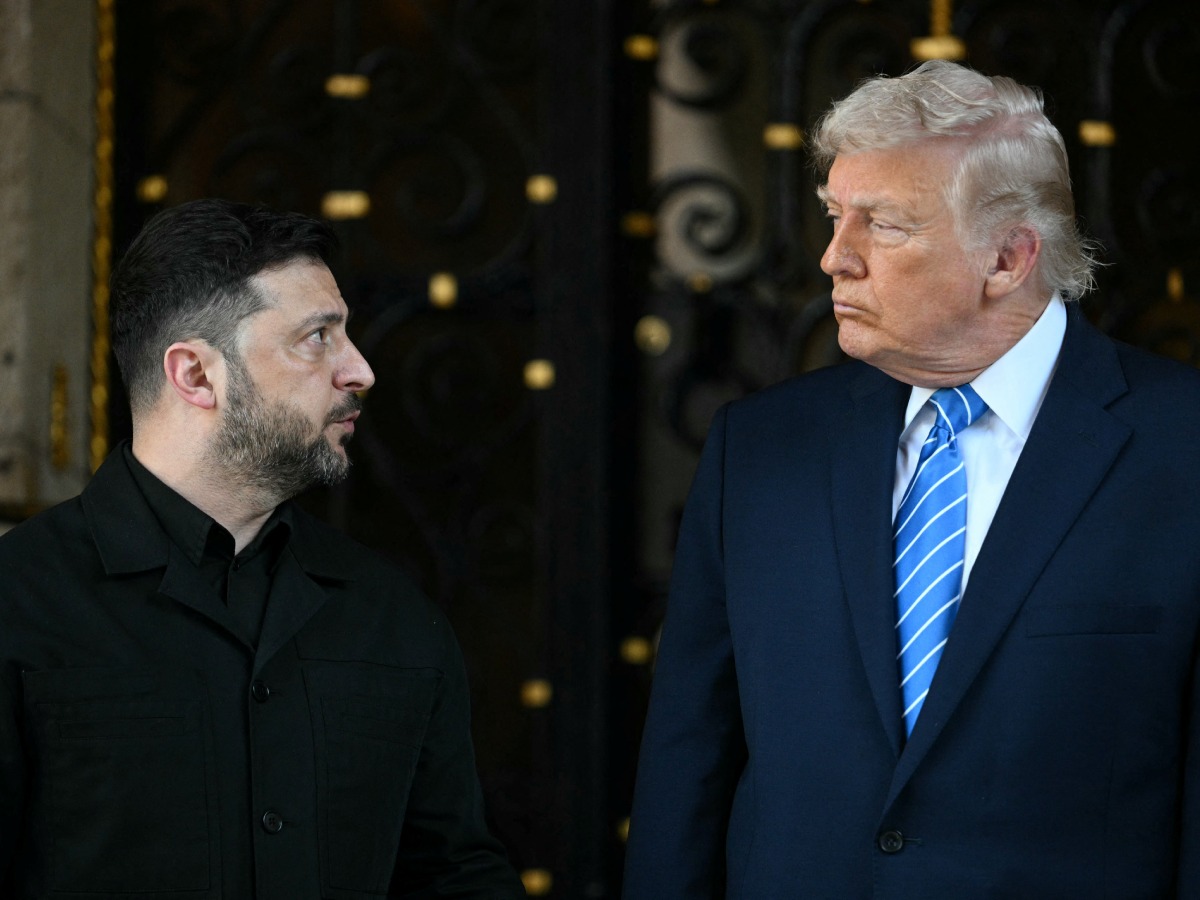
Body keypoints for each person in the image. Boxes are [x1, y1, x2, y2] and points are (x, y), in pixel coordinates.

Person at [624, 60, 1200, 898]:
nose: (834, 259)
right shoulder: (759, 449)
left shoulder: (1182, 447)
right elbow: (690, 759)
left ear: (1007, 258)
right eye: (834, 217)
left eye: (882, 226)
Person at [0, 199, 524, 899]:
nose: (360, 370)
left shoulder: (390, 612)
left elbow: (454, 875)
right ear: (196, 375)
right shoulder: (18, 601)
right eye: (317, 337)